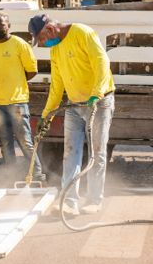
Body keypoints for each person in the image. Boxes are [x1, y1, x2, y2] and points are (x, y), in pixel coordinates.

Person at [28, 14, 115, 215]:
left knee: (97, 153)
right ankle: (69, 201)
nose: (42, 44)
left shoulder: (82, 33)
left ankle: (94, 200)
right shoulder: (56, 49)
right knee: (70, 154)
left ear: (49, 29)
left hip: (99, 103)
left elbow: (102, 62)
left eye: (41, 38)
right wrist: (46, 115)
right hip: (74, 106)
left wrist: (97, 93)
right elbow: (57, 86)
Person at [0, 12, 46, 181]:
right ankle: (10, 175)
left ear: (8, 26)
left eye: (1, 25)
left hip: (17, 102)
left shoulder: (19, 44)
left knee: (25, 141)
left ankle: (37, 174)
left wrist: (16, 82)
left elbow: (32, 70)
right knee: (5, 143)